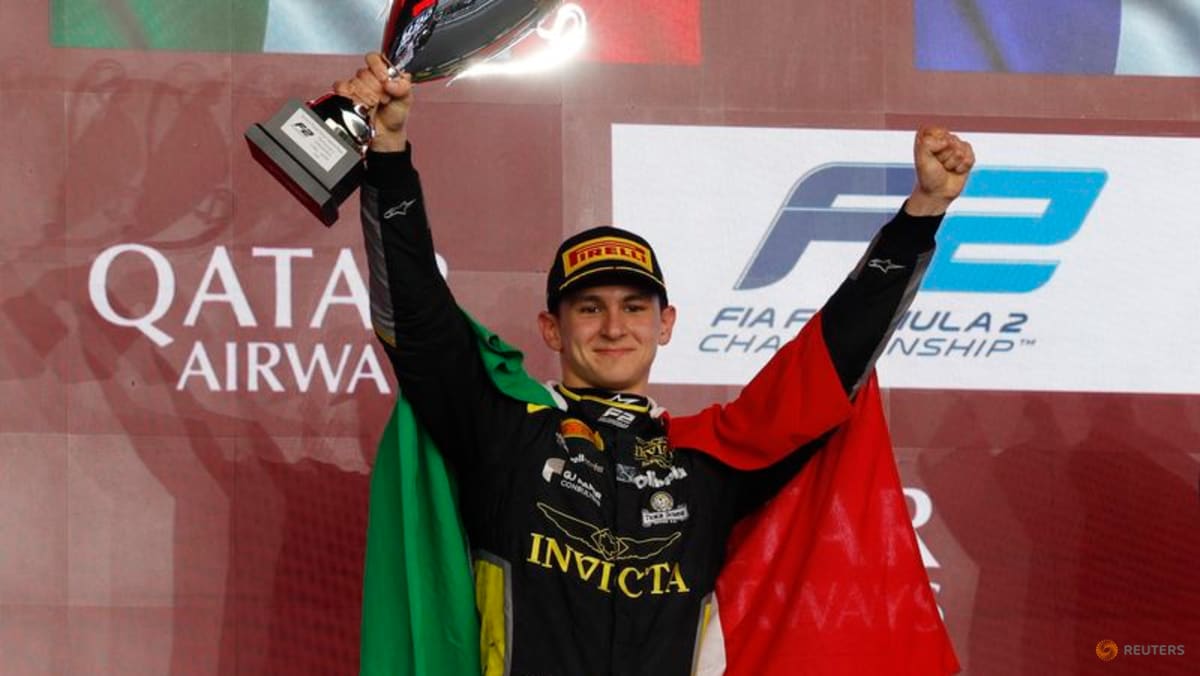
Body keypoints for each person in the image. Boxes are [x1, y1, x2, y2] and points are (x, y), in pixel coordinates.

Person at [338, 52, 974, 675]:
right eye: (589, 308)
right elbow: (418, 319)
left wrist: (919, 217)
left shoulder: (707, 465)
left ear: (665, 325)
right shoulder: (503, 434)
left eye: (635, 308)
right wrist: (389, 154)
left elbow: (825, 368)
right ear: (551, 329)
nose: (614, 327)